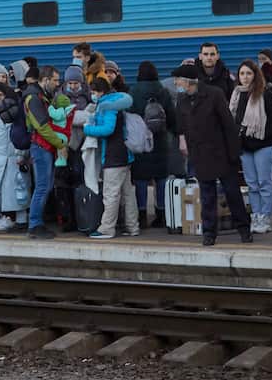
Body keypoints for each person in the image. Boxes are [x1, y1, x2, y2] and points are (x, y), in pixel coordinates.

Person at [172, 63, 251, 245]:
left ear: (188, 81)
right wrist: (183, 141)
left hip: (221, 152)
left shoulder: (214, 94)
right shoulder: (182, 100)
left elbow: (228, 125)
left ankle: (244, 228)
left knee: (232, 193)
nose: (176, 83)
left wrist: (233, 153)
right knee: (207, 196)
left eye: (178, 80)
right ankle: (209, 232)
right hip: (199, 154)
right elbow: (181, 125)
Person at [230, 60, 272, 234]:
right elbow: (233, 119)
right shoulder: (237, 95)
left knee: (264, 182)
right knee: (251, 184)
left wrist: (262, 135)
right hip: (245, 147)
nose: (245, 78)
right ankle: (256, 214)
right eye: (242, 74)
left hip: (264, 145)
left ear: (255, 75)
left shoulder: (265, 94)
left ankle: (265, 217)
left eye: (248, 73)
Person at [82, 76, 138, 239]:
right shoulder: (115, 101)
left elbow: (108, 129)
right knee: (127, 193)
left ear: (101, 92)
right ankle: (132, 227)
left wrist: (88, 129)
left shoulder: (108, 106)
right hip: (124, 155)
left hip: (114, 156)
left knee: (111, 193)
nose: (93, 95)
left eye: (94, 92)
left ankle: (106, 229)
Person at [128, 61, 178, 228]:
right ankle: (161, 214)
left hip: (141, 142)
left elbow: (129, 118)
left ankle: (142, 215)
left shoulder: (133, 92)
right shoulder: (163, 91)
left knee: (141, 179)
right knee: (161, 178)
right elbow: (172, 117)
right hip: (160, 140)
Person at [23, 65, 64, 239]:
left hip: (44, 147)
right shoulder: (33, 98)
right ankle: (34, 224)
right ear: (45, 80)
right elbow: (42, 126)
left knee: (45, 186)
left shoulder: (42, 96)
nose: (57, 83)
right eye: (55, 80)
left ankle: (37, 223)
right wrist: (60, 143)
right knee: (42, 187)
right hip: (41, 148)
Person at [0, 81, 28, 234]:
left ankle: (22, 220)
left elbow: (21, 136)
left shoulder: (17, 113)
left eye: (0, 95)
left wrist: (21, 154)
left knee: (18, 189)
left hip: (13, 158)